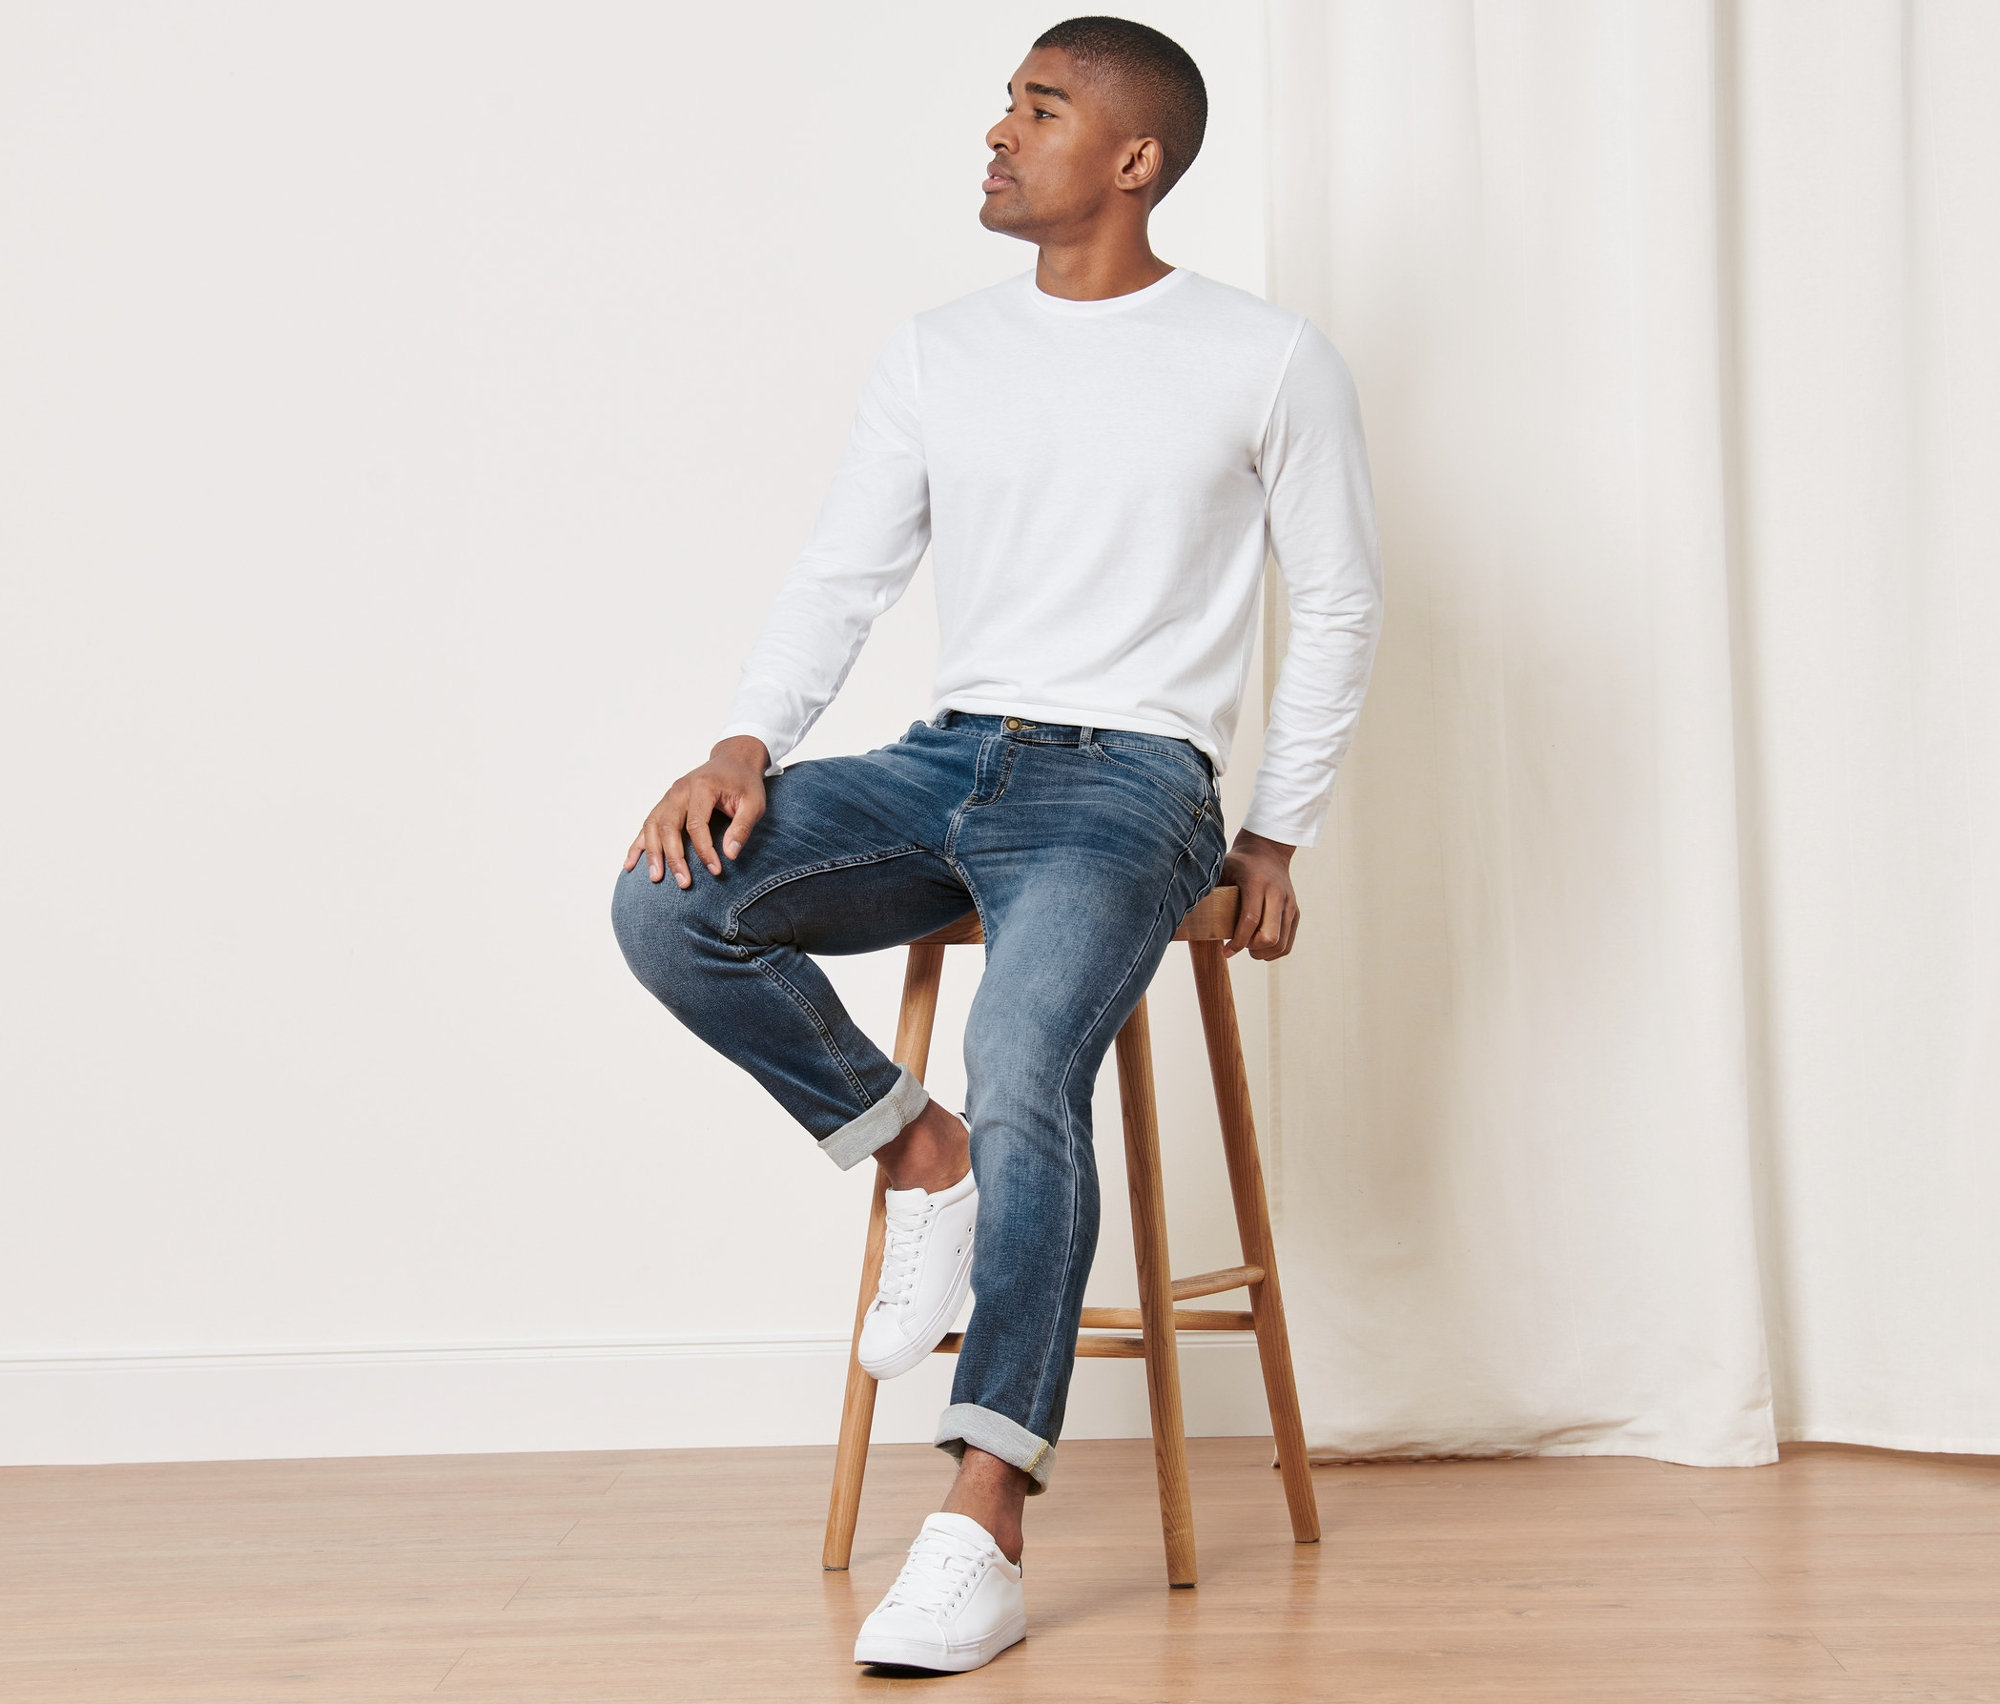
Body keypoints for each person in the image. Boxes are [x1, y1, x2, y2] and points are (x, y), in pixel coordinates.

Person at [611, 13, 1381, 1676]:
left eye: (1039, 110)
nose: (998, 133)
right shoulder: (940, 351)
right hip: (947, 757)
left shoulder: (1264, 358)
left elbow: (1338, 604)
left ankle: (981, 1519)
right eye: (1004, 105)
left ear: (1135, 159)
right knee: (671, 900)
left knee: (1030, 1056)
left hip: (1133, 785)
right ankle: (920, 1158)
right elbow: (843, 575)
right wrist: (744, 745)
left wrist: (1275, 831)